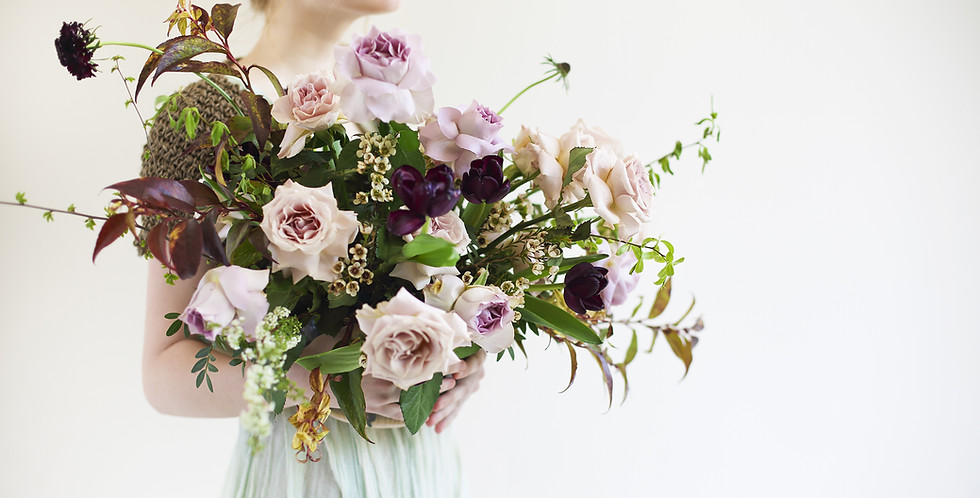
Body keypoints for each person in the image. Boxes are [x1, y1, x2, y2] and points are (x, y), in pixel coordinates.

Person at [141, 1, 485, 496]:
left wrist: (461, 358)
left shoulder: (407, 110)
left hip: (421, 467)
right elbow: (162, 369)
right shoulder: (205, 117)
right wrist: (312, 380)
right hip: (307, 470)